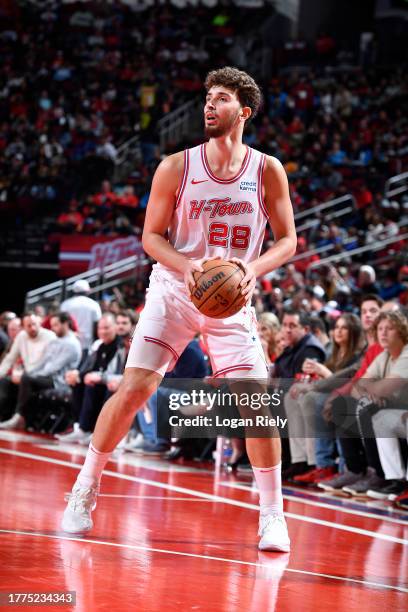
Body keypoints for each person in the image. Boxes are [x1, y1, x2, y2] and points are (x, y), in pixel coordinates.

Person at [62, 66, 297, 553]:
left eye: (222, 99)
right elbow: (151, 237)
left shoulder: (266, 168)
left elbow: (289, 240)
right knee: (135, 388)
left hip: (232, 297)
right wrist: (187, 267)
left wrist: (253, 270)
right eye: (208, 97)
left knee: (258, 403)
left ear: (244, 112)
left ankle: (273, 516)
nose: (210, 105)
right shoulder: (175, 166)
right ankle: (84, 488)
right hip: (174, 288)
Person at [0, 312, 81, 430]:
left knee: (27, 379)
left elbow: (54, 367)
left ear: (66, 324)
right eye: (52, 325)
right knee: (17, 380)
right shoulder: (56, 340)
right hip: (47, 377)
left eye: (56, 325)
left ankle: (19, 418)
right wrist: (30, 373)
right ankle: (19, 418)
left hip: (59, 381)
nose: (53, 328)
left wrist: (32, 375)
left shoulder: (72, 344)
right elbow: (43, 362)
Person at [61, 279, 102, 350]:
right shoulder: (93, 304)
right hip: (87, 343)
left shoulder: (65, 304)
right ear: (87, 291)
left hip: (68, 343)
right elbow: (97, 325)